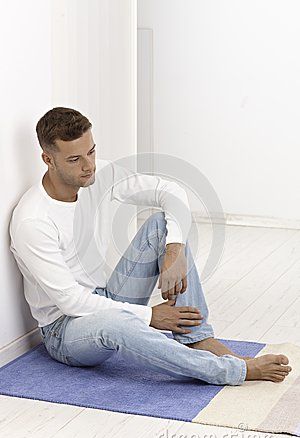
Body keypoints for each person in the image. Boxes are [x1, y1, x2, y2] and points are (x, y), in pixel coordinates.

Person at [9, 107, 292, 385]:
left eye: (91, 152)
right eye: (74, 159)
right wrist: (150, 316)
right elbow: (71, 301)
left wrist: (174, 251)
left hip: (105, 295)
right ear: (48, 159)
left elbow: (170, 192)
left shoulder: (97, 175)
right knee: (119, 324)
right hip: (65, 329)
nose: (89, 166)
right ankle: (232, 371)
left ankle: (197, 338)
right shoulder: (33, 221)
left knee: (160, 226)